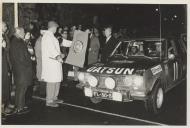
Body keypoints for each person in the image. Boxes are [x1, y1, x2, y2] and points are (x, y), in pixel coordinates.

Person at [41, 21, 72, 107]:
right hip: (51, 63)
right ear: (53, 27)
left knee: (57, 80)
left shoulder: (52, 36)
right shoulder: (47, 37)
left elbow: (62, 42)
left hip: (56, 62)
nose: (57, 29)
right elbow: (51, 49)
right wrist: (58, 56)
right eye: (56, 28)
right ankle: (49, 100)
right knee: (52, 81)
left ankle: (54, 97)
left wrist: (73, 43)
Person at [10, 27, 33, 114]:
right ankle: (20, 108)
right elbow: (22, 58)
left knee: (20, 89)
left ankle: (19, 105)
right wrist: (29, 62)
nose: (24, 34)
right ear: (18, 32)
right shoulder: (18, 42)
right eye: (23, 32)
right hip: (23, 70)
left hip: (18, 69)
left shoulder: (15, 41)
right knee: (22, 89)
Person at [1, 21, 13, 116]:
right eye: (4, 25)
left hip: (6, 62)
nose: (6, 27)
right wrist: (3, 47)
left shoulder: (4, 36)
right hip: (2, 63)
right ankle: (2, 108)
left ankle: (6, 104)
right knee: (3, 85)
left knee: (6, 84)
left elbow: (8, 49)